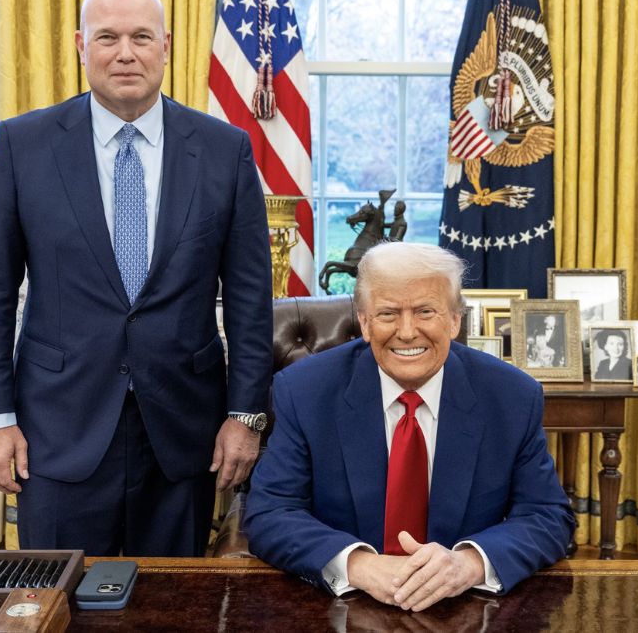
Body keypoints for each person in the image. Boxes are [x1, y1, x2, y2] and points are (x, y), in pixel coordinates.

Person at [0, 0, 273, 557]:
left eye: (140, 37)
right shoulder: (23, 145)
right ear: (81, 45)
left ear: (166, 45)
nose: (124, 52)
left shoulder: (224, 150)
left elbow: (251, 300)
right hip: (55, 429)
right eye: (107, 37)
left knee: (173, 607)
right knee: (59, 603)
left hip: (184, 431)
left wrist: (246, 415)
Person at [244, 242, 575, 612]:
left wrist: (468, 563)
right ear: (365, 323)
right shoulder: (305, 391)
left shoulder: (512, 396)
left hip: (464, 607)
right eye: (388, 314)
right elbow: (270, 513)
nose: (406, 332)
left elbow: (547, 516)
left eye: (425, 311)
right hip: (345, 604)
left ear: (454, 320)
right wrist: (359, 565)